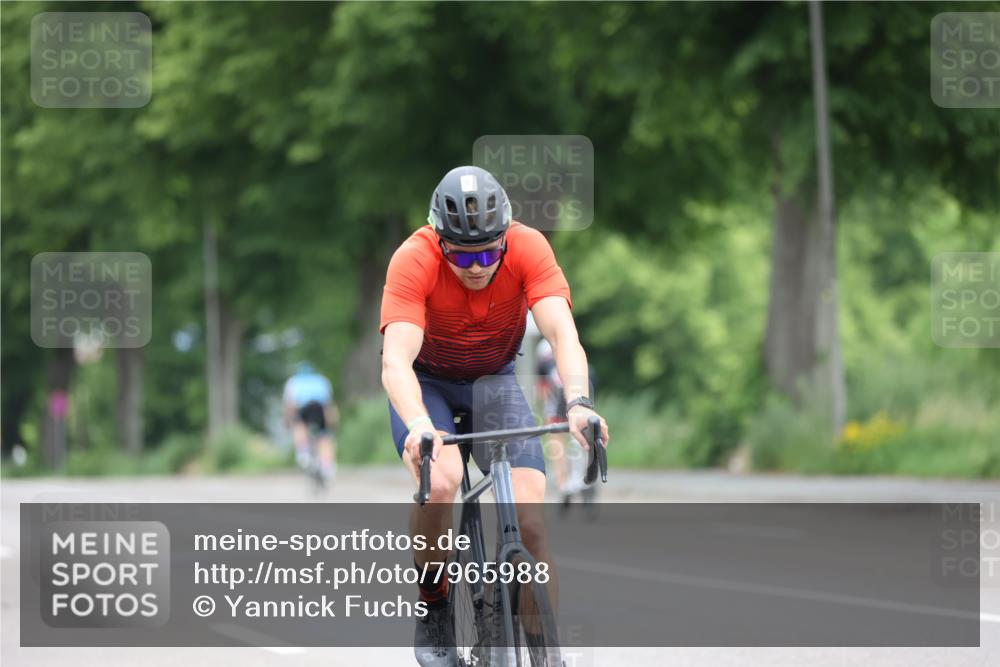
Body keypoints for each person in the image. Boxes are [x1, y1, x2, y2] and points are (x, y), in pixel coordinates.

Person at [380, 165, 611, 666]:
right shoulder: (413, 259)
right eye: (463, 256)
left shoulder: (529, 248)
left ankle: (546, 654)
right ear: (439, 241)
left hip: (494, 381)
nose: (477, 266)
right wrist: (420, 425)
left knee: (531, 522)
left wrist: (578, 403)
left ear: (506, 236)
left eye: (488, 252)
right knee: (441, 481)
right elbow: (396, 361)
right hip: (429, 384)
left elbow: (562, 333)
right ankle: (435, 600)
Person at [282, 362, 339, 483]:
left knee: (299, 425)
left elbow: (290, 405)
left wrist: (288, 423)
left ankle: (303, 453)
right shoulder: (322, 380)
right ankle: (327, 468)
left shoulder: (293, 382)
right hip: (319, 408)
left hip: (304, 408)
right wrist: (331, 424)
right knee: (325, 438)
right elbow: (328, 405)